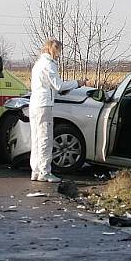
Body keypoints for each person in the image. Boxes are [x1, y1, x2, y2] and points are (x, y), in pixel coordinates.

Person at [29, 40, 87, 183]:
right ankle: (45, 172)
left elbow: (51, 86)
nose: (60, 55)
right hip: (44, 105)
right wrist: (77, 83)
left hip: (35, 103)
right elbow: (58, 85)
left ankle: (36, 171)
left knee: (36, 139)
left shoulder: (38, 64)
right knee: (45, 139)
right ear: (53, 50)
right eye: (59, 51)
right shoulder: (49, 64)